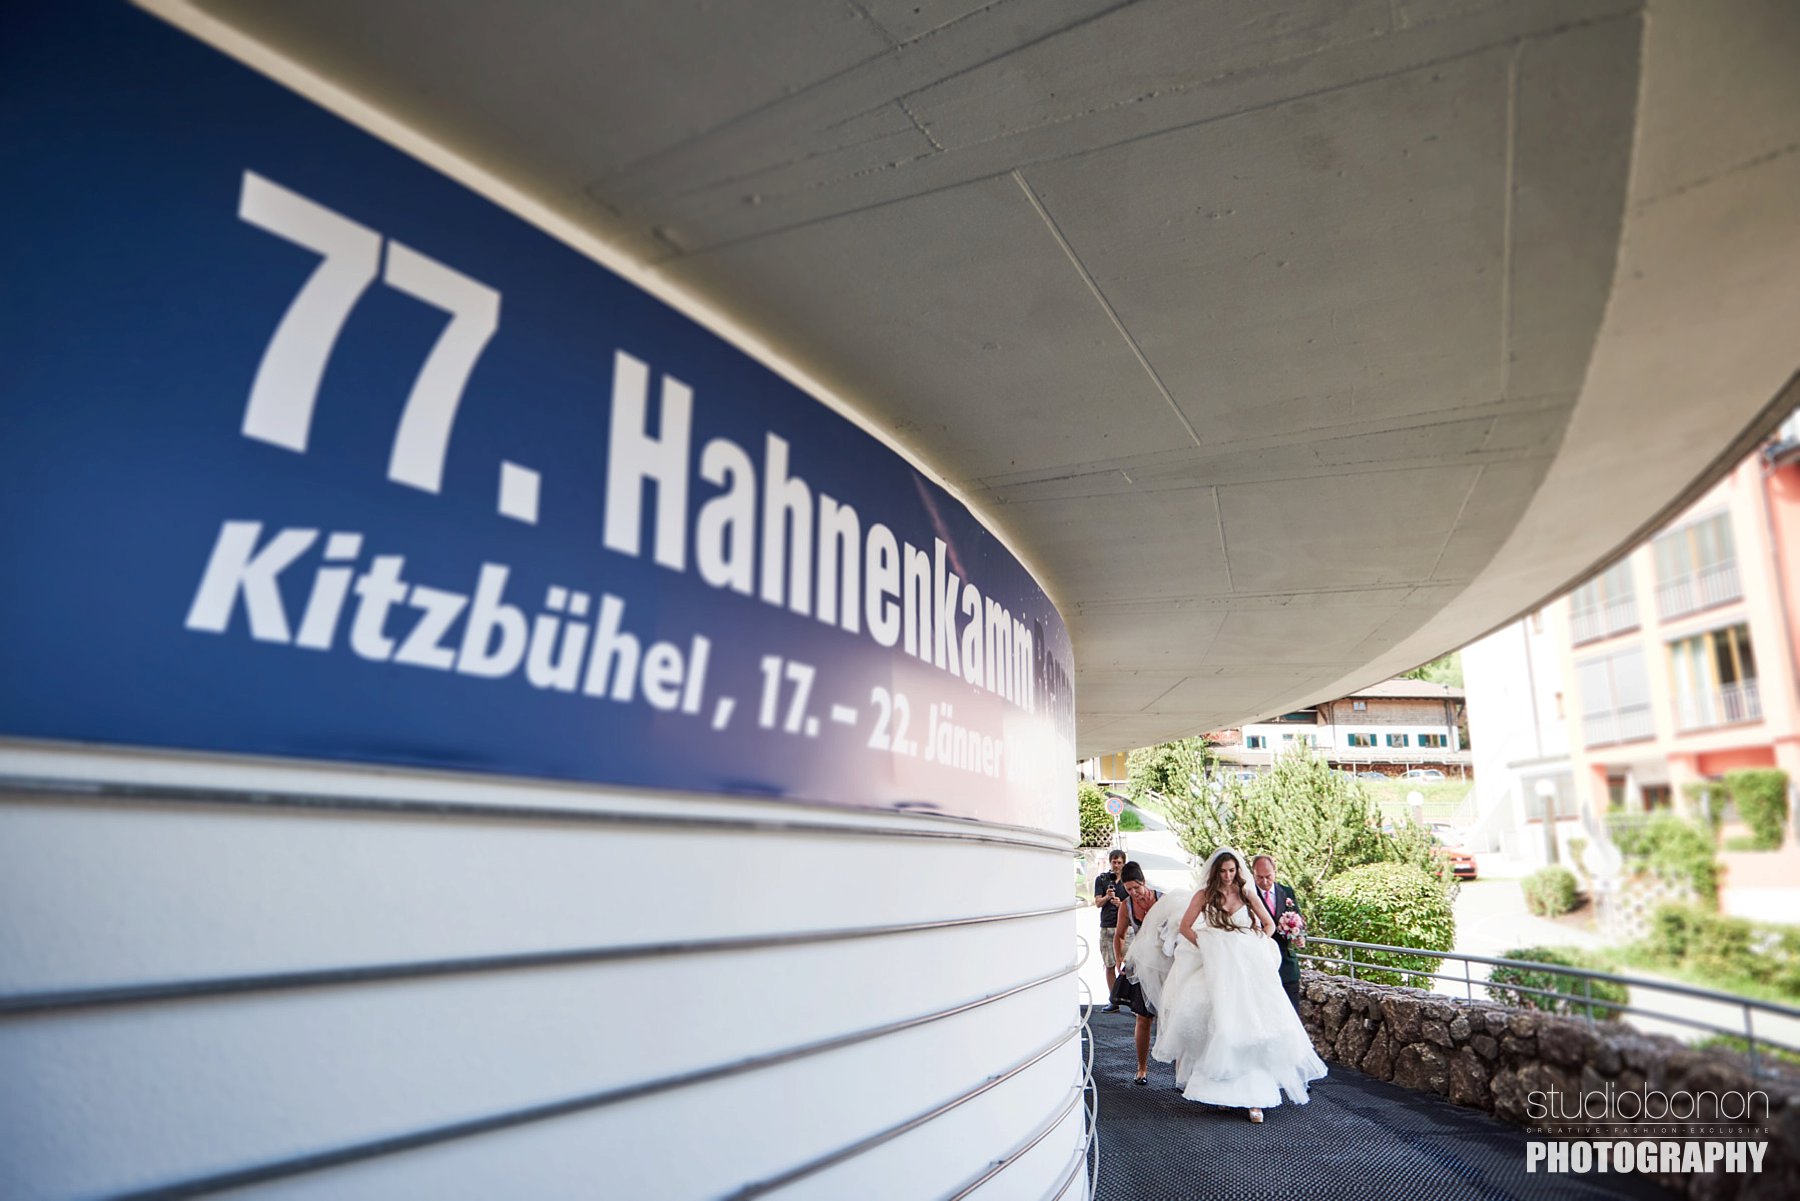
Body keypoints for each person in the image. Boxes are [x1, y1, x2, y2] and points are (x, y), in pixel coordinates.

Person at [1152, 847, 1327, 1123]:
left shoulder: (1246, 893)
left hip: (1246, 971)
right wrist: (1207, 946)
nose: (1227, 876)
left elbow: (1268, 925)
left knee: (1253, 1025)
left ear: (1237, 871)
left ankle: (1255, 1098)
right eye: (1223, 871)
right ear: (1215, 872)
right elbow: (1186, 927)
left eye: (1232, 871)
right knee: (1218, 1025)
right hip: (1216, 970)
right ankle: (1222, 1092)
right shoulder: (1204, 895)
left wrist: (1254, 945)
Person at [1107, 862, 1163, 1084]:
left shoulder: (1163, 900)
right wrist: (1119, 958)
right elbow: (1119, 935)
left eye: (1136, 888)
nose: (1133, 893)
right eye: (1128, 889)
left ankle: (1181, 1070)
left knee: (1172, 1017)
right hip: (1143, 963)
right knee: (1143, 1017)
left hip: (1166, 962)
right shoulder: (1126, 906)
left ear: (1144, 882)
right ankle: (1142, 1069)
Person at [1251, 853, 1304, 1013]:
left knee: (1293, 1012)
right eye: (1259, 877)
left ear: (1275, 871)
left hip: (1287, 964)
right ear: (1253, 874)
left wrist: (1300, 936)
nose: (1264, 882)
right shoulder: (1248, 895)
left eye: (1268, 876)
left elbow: (1299, 919)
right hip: (1261, 964)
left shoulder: (1287, 892)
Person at [1093, 849, 1127, 1011]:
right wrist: (1107, 896)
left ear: (1124, 863)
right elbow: (1097, 903)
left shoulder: (1129, 880)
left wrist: (1121, 905)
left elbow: (1135, 903)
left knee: (1130, 964)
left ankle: (1132, 1000)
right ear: (1110, 862)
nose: (1117, 865)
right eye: (1114, 862)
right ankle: (1114, 1000)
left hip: (1125, 927)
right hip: (1107, 926)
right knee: (1109, 964)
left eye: (1119, 862)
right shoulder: (1102, 879)